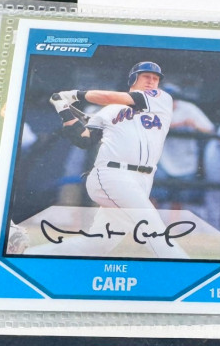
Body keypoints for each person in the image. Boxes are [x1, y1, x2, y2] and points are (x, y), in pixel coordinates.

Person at [44, 61, 187, 258]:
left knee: (96, 246)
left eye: (155, 78)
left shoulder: (161, 98)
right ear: (133, 79)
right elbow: (84, 139)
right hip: (112, 175)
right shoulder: (109, 111)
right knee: (153, 230)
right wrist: (64, 111)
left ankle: (31, 253)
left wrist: (74, 95)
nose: (151, 81)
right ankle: (190, 272)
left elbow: (108, 96)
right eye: (146, 76)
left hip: (143, 179)